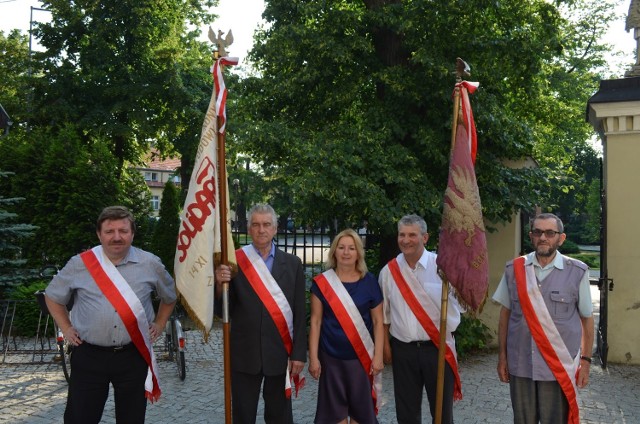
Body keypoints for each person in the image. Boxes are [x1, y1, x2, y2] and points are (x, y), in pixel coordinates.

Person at [44, 205, 177, 424]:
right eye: (109, 231)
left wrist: (160, 323)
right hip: (89, 355)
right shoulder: (80, 264)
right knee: (80, 418)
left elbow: (169, 296)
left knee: (131, 418)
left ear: (132, 233)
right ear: (99, 234)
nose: (117, 237)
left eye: (123, 231)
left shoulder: (150, 264)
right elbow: (52, 297)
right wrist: (66, 328)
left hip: (133, 355)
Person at [492, 213, 594, 424]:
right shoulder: (514, 270)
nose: (543, 237)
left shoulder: (577, 272)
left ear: (561, 238)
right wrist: (502, 357)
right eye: (537, 232)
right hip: (521, 365)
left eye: (549, 232)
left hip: (557, 366)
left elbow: (586, 318)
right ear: (531, 236)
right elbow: (505, 316)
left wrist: (585, 362)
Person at [215, 203, 307, 424]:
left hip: (279, 352)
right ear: (249, 229)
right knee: (243, 416)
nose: (261, 229)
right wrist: (219, 285)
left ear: (275, 229)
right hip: (244, 354)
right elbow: (222, 311)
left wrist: (298, 354)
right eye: (255, 225)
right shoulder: (234, 262)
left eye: (266, 224)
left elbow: (299, 311)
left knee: (279, 416)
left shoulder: (293, 264)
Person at [378, 214, 462, 424]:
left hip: (438, 347)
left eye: (412, 235)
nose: (406, 240)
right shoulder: (388, 272)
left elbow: (462, 305)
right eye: (402, 235)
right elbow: (384, 315)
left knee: (442, 413)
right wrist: (386, 348)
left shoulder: (443, 267)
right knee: (407, 412)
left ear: (425, 237)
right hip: (403, 350)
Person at [309, 229, 384, 424]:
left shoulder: (370, 282)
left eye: (351, 248)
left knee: (361, 415)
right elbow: (316, 322)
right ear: (334, 251)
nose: (346, 252)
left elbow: (378, 322)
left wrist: (378, 356)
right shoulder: (322, 283)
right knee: (335, 415)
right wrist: (314, 358)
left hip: (361, 360)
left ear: (358, 252)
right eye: (341, 247)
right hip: (331, 359)